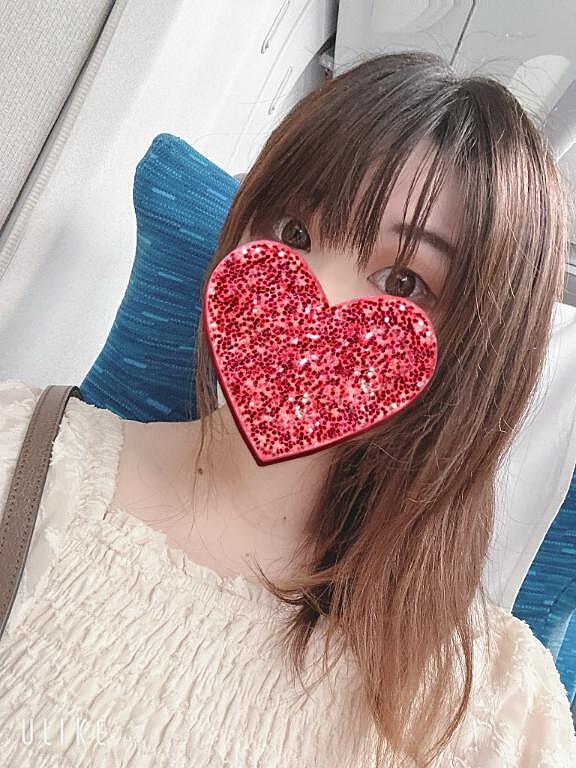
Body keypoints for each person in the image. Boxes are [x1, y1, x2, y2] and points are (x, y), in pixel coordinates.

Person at [0, 50, 575, 768]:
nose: (318, 298)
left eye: (404, 281)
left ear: (479, 359)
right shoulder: (23, 459)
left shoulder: (493, 708)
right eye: (295, 233)